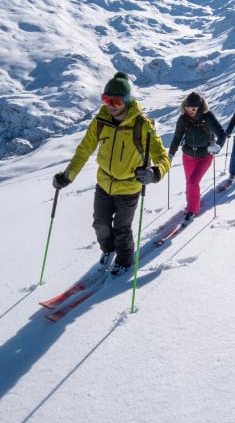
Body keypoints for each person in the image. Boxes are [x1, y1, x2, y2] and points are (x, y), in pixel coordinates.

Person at [52, 71, 171, 275]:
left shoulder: (142, 126)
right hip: (104, 184)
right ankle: (108, 250)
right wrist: (67, 176)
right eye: (106, 100)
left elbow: (162, 157)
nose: (110, 106)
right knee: (100, 225)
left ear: (126, 101)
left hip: (129, 187)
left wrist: (154, 173)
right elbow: (84, 150)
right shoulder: (100, 122)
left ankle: (125, 262)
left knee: (122, 229)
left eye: (115, 101)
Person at [168, 91, 226, 221]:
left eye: (193, 109)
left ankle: (192, 211)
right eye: (188, 108)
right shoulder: (183, 119)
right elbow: (177, 137)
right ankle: (192, 204)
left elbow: (221, 134)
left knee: (193, 182)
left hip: (205, 155)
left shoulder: (208, 117)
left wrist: (218, 146)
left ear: (199, 107)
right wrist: (171, 153)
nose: (190, 111)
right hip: (188, 155)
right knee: (189, 183)